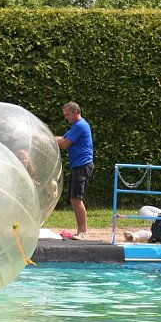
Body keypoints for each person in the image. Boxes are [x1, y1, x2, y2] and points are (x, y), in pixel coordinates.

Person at [55, 101, 94, 240]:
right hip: (77, 165)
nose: (66, 118)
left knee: (77, 199)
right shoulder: (75, 127)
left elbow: (64, 144)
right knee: (73, 198)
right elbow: (62, 138)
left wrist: (53, 140)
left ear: (76, 112)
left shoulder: (80, 126)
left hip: (82, 165)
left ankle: (83, 232)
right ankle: (80, 231)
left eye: (67, 115)